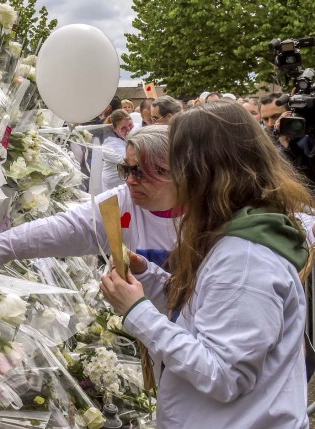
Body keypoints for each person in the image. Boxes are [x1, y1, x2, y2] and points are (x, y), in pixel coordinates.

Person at [100, 100, 312, 428]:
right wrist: (151, 278)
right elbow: (209, 311)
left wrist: (137, 310)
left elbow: (225, 374)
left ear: (204, 170)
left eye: (175, 165)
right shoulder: (233, 234)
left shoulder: (244, 258)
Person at [0, 125, 179, 270]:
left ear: (174, 172)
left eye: (140, 171)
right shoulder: (119, 202)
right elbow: (60, 229)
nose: (130, 181)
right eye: (126, 169)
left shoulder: (207, 219)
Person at [89, 110, 134, 195]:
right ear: (114, 129)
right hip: (113, 185)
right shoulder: (110, 143)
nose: (128, 129)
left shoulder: (126, 137)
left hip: (124, 183)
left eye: (130, 125)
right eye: (123, 128)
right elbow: (128, 160)